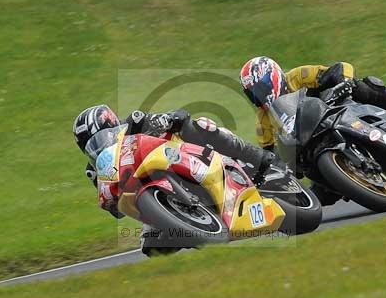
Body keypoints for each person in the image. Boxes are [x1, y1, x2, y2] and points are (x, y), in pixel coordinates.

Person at [72, 104, 282, 251]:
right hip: (150, 192)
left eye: (101, 138)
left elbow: (176, 116)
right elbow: (117, 211)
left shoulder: (134, 122)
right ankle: (194, 229)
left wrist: (169, 119)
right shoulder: (96, 170)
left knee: (200, 125)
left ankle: (255, 156)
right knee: (151, 247)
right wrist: (110, 203)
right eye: (91, 145)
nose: (99, 147)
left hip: (177, 156)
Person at [239, 56, 386, 204]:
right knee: (314, 197)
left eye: (261, 88)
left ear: (273, 76)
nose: (259, 96)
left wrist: (344, 82)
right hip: (314, 148)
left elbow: (340, 68)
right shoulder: (263, 120)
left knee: (367, 86)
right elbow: (269, 155)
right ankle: (357, 179)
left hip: (338, 112)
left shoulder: (298, 76)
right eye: (253, 93)